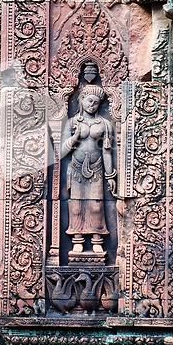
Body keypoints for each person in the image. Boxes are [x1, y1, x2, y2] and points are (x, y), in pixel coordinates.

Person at [62, 85, 116, 254]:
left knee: (97, 206)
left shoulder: (105, 125)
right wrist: (75, 137)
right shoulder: (72, 123)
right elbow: (62, 151)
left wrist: (110, 176)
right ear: (81, 100)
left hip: (97, 169)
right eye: (90, 101)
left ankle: (97, 239)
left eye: (97, 103)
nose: (93, 105)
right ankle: (77, 238)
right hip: (77, 169)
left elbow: (107, 152)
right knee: (76, 205)